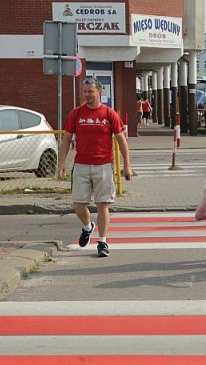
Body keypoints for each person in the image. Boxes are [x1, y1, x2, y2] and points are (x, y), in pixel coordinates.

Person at [57, 76, 133, 258]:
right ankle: (87, 226)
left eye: (91, 91)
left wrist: (127, 166)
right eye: (85, 92)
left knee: (102, 204)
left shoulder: (109, 114)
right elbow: (66, 139)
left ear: (100, 92)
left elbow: (122, 140)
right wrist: (62, 163)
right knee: (78, 205)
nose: (87, 95)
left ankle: (103, 242)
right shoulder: (76, 113)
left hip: (103, 166)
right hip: (81, 165)